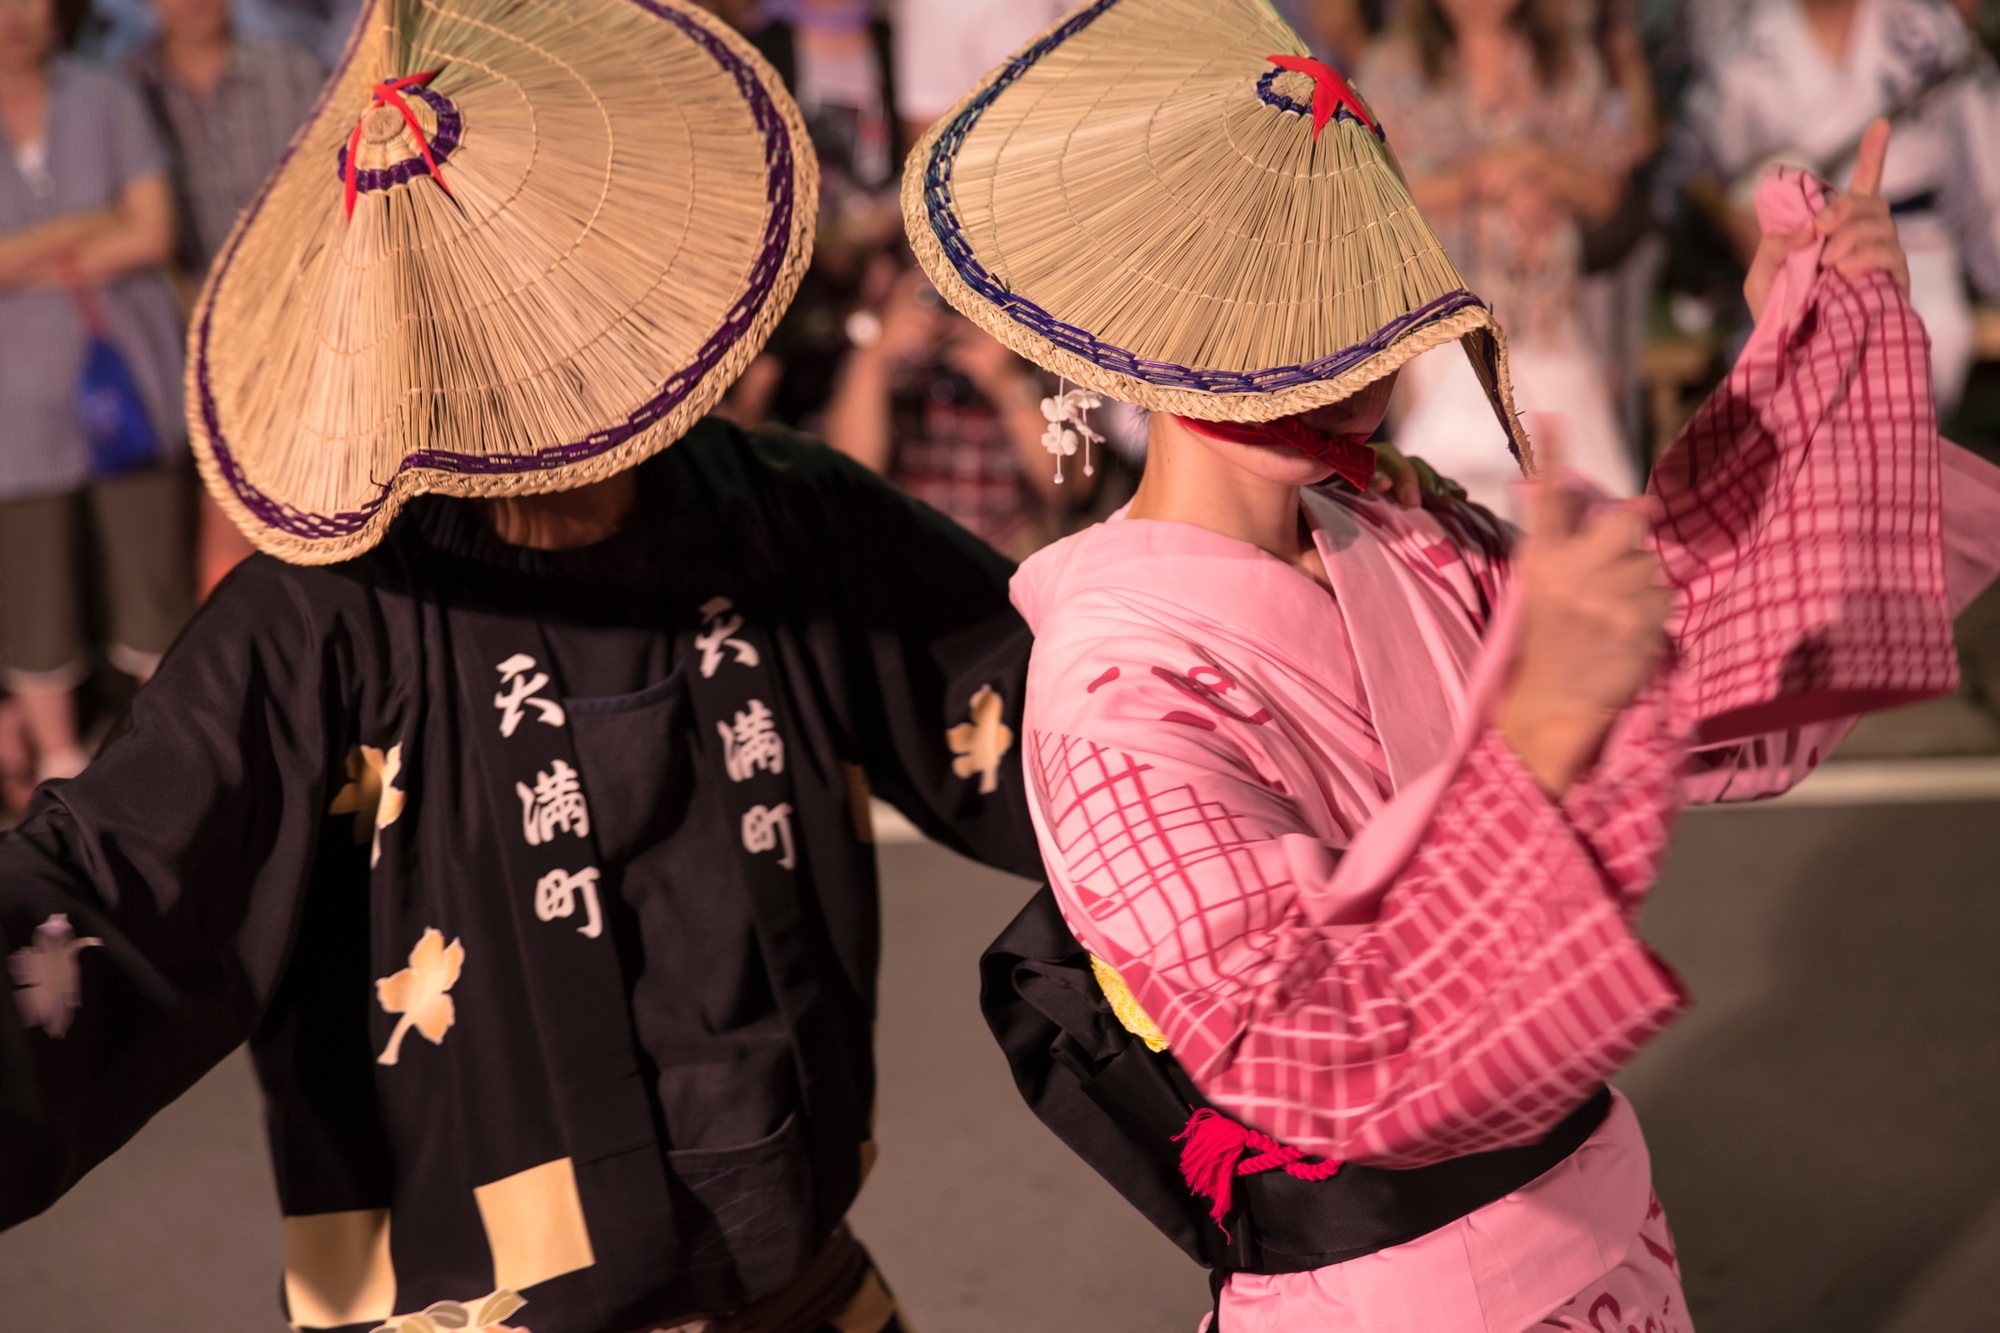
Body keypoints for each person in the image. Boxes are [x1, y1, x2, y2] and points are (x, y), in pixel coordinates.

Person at [901, 2, 2000, 1330]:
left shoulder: (1400, 523)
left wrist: (1805, 349)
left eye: (1364, 306)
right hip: (1387, 1291)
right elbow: (1299, 1045)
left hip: (1604, 1226)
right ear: (1141, 334)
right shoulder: (1109, 692)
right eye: (1295, 322)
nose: (1355, 365)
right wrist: (1527, 747)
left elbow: (1696, 662)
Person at [0, 4, 1044, 1332]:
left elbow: (1039, 702)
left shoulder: (787, 514)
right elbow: (111, 884)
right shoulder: (318, 617)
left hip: (797, 1278)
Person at [0, 0, 191, 782]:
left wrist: (21, 262)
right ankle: (57, 769)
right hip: (13, 403)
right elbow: (123, 222)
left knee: (154, 581)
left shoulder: (105, 93)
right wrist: (88, 225)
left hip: (127, 377)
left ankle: (164, 765)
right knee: (32, 590)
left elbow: (152, 230)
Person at [1360, 0, 1643, 513]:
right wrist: (1479, 180)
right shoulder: (1393, 68)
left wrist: (1542, 167)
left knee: (1591, 504)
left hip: (1546, 316)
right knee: (1460, 509)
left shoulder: (1567, 61)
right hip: (1444, 324)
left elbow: (1609, 190)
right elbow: (1372, 193)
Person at [1674, 0, 2000, 413]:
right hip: (1793, 260)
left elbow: (1981, 166)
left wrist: (1989, 260)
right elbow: (1691, 173)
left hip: (1912, 248)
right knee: (1783, 383)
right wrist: (1731, 219)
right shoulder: (1745, 44)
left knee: (1920, 347)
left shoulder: (1926, 28)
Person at [127, 0, 323, 598]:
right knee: (220, 520)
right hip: (188, 338)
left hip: (302, 323)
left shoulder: (294, 71)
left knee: (316, 510)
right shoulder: (125, 90)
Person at [823, 265, 1086, 559]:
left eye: (976, 302)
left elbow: (1070, 487)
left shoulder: (1040, 347)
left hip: (1010, 562)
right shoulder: (898, 356)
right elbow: (848, 475)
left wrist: (1005, 381)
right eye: (946, 297)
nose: (957, 315)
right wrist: (876, 356)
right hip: (909, 556)